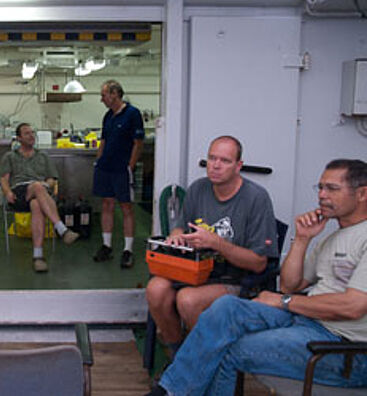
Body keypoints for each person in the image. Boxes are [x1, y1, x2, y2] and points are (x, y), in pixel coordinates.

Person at [148, 158, 367, 396]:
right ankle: (171, 390)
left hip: (343, 350)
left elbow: (353, 306)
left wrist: (284, 302)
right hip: (306, 321)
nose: (322, 195)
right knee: (227, 307)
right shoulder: (332, 238)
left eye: (332, 189)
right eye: (321, 187)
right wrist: (302, 239)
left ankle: (170, 391)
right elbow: (289, 285)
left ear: (362, 194)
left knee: (228, 347)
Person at [145, 136, 278, 358]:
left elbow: (258, 263)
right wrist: (176, 236)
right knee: (155, 290)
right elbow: (180, 227)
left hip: (234, 277)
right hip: (196, 270)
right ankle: (179, 354)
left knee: (188, 300)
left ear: (238, 166)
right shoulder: (198, 189)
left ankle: (208, 359)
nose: (215, 165)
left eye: (225, 161)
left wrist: (217, 243)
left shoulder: (256, 198)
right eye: (212, 158)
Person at [0, 123, 80, 273]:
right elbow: (4, 179)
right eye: (27, 133)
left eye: (32, 132)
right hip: (19, 192)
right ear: (19, 138)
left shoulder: (43, 156)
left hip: (40, 192)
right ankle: (61, 229)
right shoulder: (10, 156)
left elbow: (52, 179)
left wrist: (46, 185)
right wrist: (7, 192)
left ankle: (38, 257)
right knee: (37, 186)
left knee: (37, 204)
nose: (31, 136)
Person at [92, 79, 145, 269]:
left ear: (114, 94)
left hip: (122, 169)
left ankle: (128, 250)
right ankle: (106, 246)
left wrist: (130, 167)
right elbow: (104, 141)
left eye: (104, 95)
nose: (101, 99)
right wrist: (98, 162)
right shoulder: (108, 116)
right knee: (106, 204)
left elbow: (138, 143)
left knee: (126, 208)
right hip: (105, 168)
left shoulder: (132, 114)